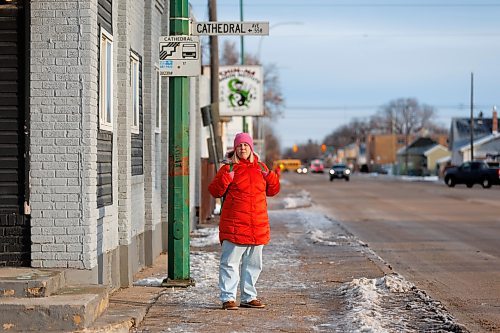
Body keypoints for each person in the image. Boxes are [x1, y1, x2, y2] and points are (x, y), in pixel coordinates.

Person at [208, 133, 280, 310]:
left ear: (251, 148)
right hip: (235, 225)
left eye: (246, 145)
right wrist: (227, 178)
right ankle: (228, 298)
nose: (243, 148)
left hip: (257, 225)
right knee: (230, 263)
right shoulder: (228, 168)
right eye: (239, 146)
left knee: (254, 264)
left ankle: (248, 297)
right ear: (235, 149)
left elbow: (273, 190)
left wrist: (269, 175)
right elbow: (215, 191)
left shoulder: (260, 167)